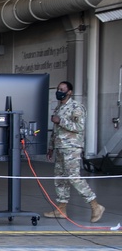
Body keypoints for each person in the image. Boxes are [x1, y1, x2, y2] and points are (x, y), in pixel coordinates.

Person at [45, 81, 105, 222]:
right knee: (60, 178)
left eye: (62, 89)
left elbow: (79, 127)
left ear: (69, 92)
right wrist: (51, 146)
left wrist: (60, 121)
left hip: (72, 147)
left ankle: (95, 205)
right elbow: (55, 131)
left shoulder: (76, 107)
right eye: (58, 88)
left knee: (73, 177)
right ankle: (61, 209)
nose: (59, 91)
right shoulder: (59, 108)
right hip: (60, 147)